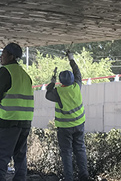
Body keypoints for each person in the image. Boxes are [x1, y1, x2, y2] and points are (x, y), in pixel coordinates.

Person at [0, 43, 34, 181]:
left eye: (4, 53)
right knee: (20, 157)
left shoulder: (5, 71)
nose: (1, 56)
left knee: (1, 157)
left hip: (8, 121)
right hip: (25, 122)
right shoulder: (25, 75)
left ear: (12, 56)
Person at [45, 51, 89, 181]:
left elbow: (47, 94)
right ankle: (84, 176)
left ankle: (68, 178)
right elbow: (77, 73)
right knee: (80, 149)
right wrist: (71, 59)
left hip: (64, 128)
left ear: (61, 81)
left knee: (66, 153)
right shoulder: (77, 86)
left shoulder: (58, 92)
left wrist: (52, 82)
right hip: (79, 125)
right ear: (72, 80)